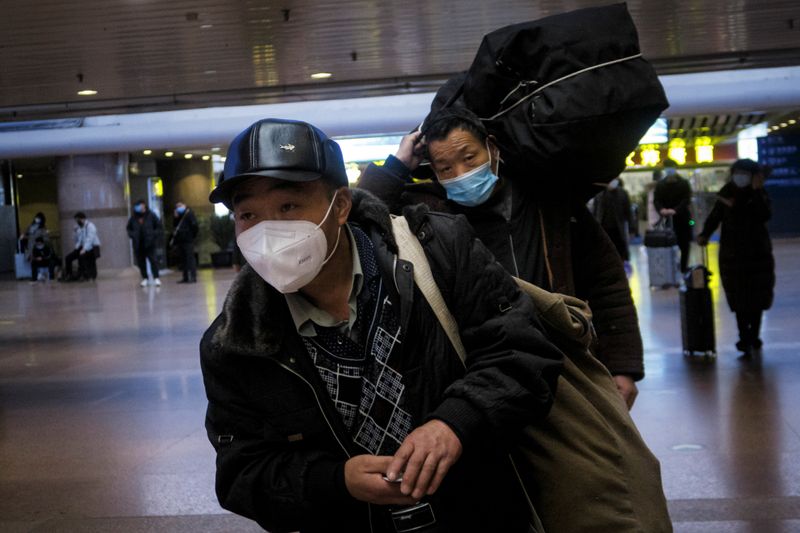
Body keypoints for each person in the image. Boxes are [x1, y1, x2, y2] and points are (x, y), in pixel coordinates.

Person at [201, 118, 564, 533]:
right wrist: (335, 482)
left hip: (480, 513)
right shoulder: (233, 343)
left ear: (340, 206)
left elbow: (523, 352)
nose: (269, 232)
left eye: (288, 207)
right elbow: (241, 474)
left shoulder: (439, 253)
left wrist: (455, 422)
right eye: (248, 214)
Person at [358, 108, 643, 408]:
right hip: (486, 376)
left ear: (491, 148)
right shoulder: (430, 217)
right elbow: (361, 225)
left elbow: (605, 280)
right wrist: (397, 166)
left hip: (567, 365)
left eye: (469, 158)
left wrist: (623, 365)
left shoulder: (549, 202)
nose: (461, 174)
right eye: (445, 168)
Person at [697, 159, 775, 356]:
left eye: (745, 173)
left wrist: (757, 191)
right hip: (732, 256)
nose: (740, 177)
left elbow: (764, 215)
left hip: (758, 255)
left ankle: (753, 335)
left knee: (757, 298)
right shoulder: (726, 195)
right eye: (737, 173)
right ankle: (744, 336)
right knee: (738, 297)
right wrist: (704, 234)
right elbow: (714, 217)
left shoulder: (759, 194)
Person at [654, 158, 693, 272]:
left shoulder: (684, 183)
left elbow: (686, 199)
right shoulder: (661, 185)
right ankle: (671, 268)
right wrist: (661, 210)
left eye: (671, 167)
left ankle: (683, 267)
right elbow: (657, 200)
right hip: (667, 220)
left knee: (684, 244)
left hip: (683, 218)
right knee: (669, 245)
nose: (669, 170)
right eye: (667, 167)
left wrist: (676, 210)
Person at [591, 177, 634, 266]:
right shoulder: (600, 194)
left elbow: (628, 213)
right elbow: (595, 213)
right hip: (603, 229)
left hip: (618, 230)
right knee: (605, 254)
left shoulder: (622, 193)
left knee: (619, 253)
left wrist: (632, 229)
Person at [126, 200, 163, 287]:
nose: (139, 207)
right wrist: (133, 235)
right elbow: (128, 228)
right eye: (137, 206)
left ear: (144, 206)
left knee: (153, 261)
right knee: (141, 262)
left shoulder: (151, 215)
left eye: (140, 205)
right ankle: (145, 278)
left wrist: (153, 235)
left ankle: (156, 278)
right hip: (138, 244)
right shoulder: (133, 218)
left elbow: (158, 226)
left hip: (150, 243)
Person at [63, 212, 101, 281]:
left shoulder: (90, 226)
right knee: (68, 258)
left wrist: (84, 249)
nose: (77, 222)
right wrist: (74, 232)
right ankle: (69, 274)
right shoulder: (79, 228)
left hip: (92, 247)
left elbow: (90, 238)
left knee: (84, 258)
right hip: (82, 246)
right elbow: (76, 240)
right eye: (76, 220)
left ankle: (86, 275)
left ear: (82, 219)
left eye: (78, 220)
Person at [170, 201, 199, 283]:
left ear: (185, 205)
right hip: (180, 241)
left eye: (180, 205)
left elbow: (195, 227)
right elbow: (175, 227)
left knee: (190, 259)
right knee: (183, 259)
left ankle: (193, 277)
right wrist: (175, 217)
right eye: (177, 206)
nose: (178, 208)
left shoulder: (189, 214)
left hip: (188, 240)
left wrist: (191, 236)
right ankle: (185, 277)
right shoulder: (178, 215)